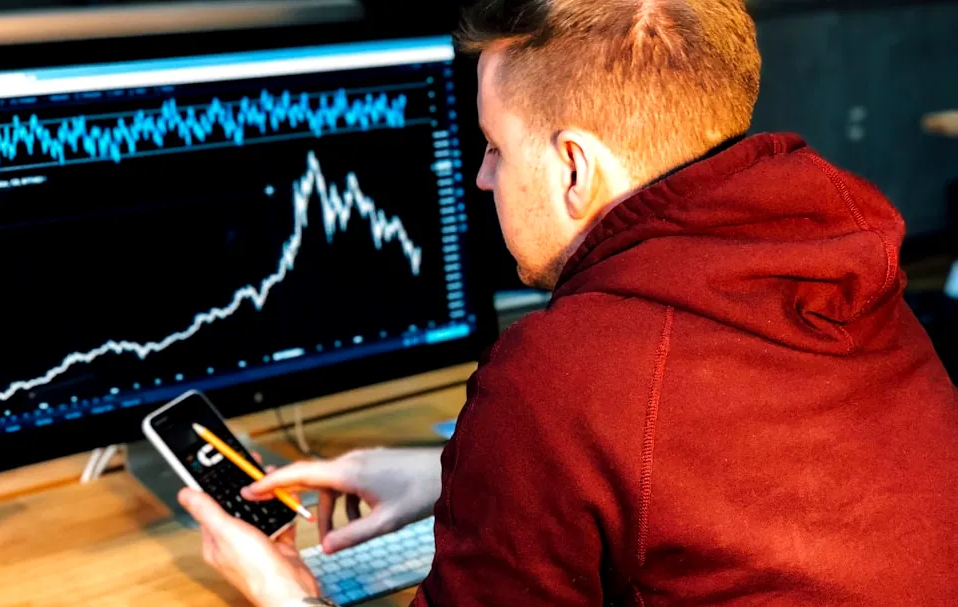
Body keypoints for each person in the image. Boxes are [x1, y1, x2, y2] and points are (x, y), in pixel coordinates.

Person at [178, 0, 958, 604]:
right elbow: (709, 482)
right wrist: (459, 473)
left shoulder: (562, 375)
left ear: (574, 168)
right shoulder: (850, 278)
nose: (483, 177)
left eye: (495, 146)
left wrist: (286, 592)